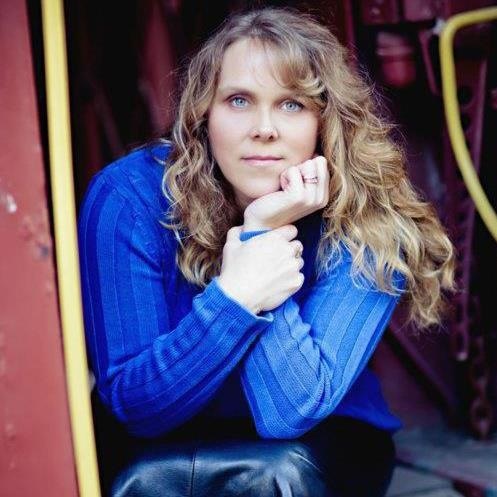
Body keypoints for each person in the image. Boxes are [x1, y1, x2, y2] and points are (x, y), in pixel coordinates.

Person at [78, 7, 455, 497]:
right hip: (160, 441)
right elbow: (137, 409)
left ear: (327, 120)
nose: (264, 128)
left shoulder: (371, 213)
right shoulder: (130, 199)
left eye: (292, 104)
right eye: (238, 100)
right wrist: (235, 297)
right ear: (203, 114)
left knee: (278, 477)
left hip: (321, 441)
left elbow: (289, 411)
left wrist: (263, 235)